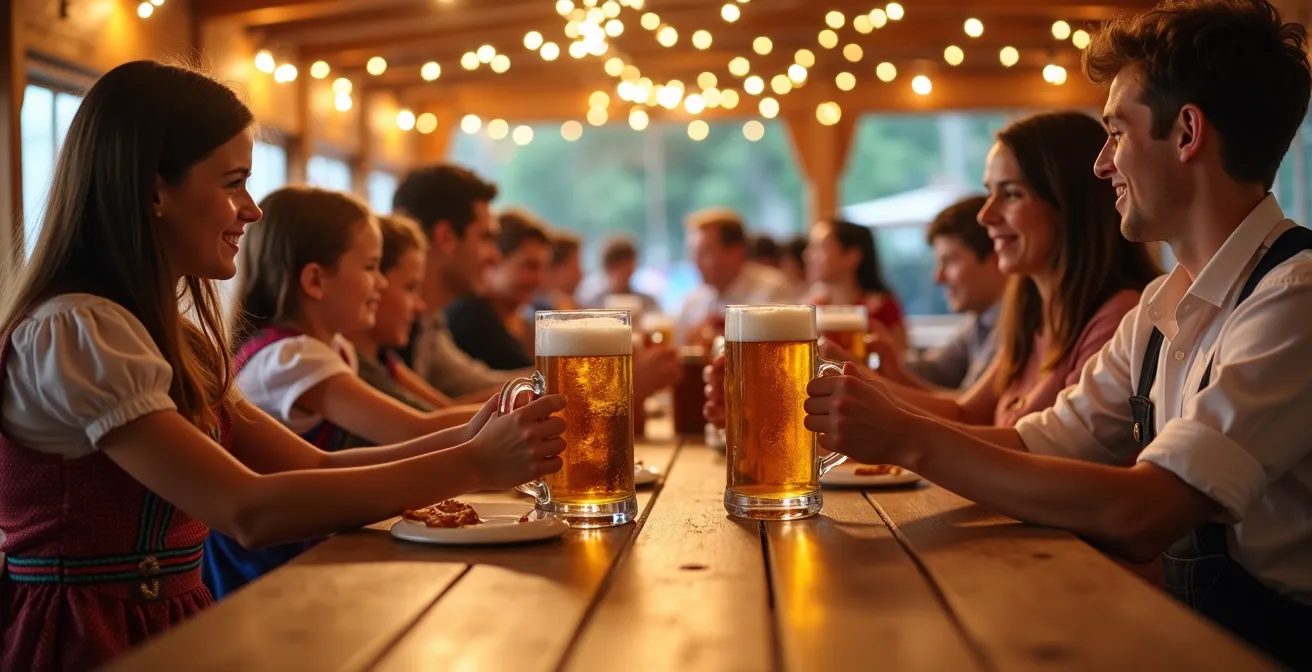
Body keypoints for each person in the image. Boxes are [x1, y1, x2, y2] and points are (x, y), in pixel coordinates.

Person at [0, 61, 566, 670]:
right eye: (233, 183)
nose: (252, 209)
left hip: (174, 622)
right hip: (85, 638)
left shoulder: (173, 338)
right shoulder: (75, 330)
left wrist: (469, 437)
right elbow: (247, 509)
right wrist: (474, 462)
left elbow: (314, 465)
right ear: (154, 190)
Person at [802, 1, 1312, 665]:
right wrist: (882, 419)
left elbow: (1146, 511)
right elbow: (1034, 439)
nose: (1102, 165)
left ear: (1187, 132)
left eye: (1116, 133)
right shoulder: (1160, 305)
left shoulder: (1295, 296)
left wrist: (907, 438)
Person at [210, 187, 513, 597]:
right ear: (315, 280)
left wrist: (497, 423)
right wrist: (501, 424)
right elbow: (413, 429)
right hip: (272, 566)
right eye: (371, 267)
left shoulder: (333, 349)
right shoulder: (292, 358)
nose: (381, 282)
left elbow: (430, 417)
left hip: (313, 543)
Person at [822, 113, 1161, 428]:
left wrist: (870, 390)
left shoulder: (1117, 317)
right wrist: (859, 377)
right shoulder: (1033, 313)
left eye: (1011, 194)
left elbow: (1042, 453)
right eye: (989, 192)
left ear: (1071, 204)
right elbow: (966, 413)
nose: (985, 216)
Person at [391, 164, 516, 399]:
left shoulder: (429, 319)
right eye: (485, 238)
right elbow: (427, 416)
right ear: (446, 237)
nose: (496, 256)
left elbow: (475, 384)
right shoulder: (384, 323)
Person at [344, 214, 484, 416]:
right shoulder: (347, 364)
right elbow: (427, 424)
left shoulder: (385, 359)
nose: (420, 306)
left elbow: (444, 410)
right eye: (410, 288)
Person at [892, 195, 1007, 391]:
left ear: (995, 258)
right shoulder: (980, 321)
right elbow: (937, 370)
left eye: (950, 261)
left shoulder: (1015, 326)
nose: (938, 278)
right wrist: (887, 358)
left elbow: (972, 406)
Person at [677, 208, 795, 345]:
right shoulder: (693, 302)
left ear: (736, 252)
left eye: (705, 253)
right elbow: (679, 347)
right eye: (694, 253)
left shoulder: (773, 291)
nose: (696, 262)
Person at [805, 218, 910, 355]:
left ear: (852, 256)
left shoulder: (882, 308)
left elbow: (900, 360)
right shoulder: (812, 305)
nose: (808, 256)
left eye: (821, 248)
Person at [587, 235, 659, 313]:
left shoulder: (647, 303)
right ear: (608, 266)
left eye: (628, 264)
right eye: (618, 265)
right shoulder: (594, 305)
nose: (623, 271)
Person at [535, 231, 582, 311]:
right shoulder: (535, 309)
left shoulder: (573, 304)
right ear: (556, 268)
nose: (580, 275)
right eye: (574, 267)